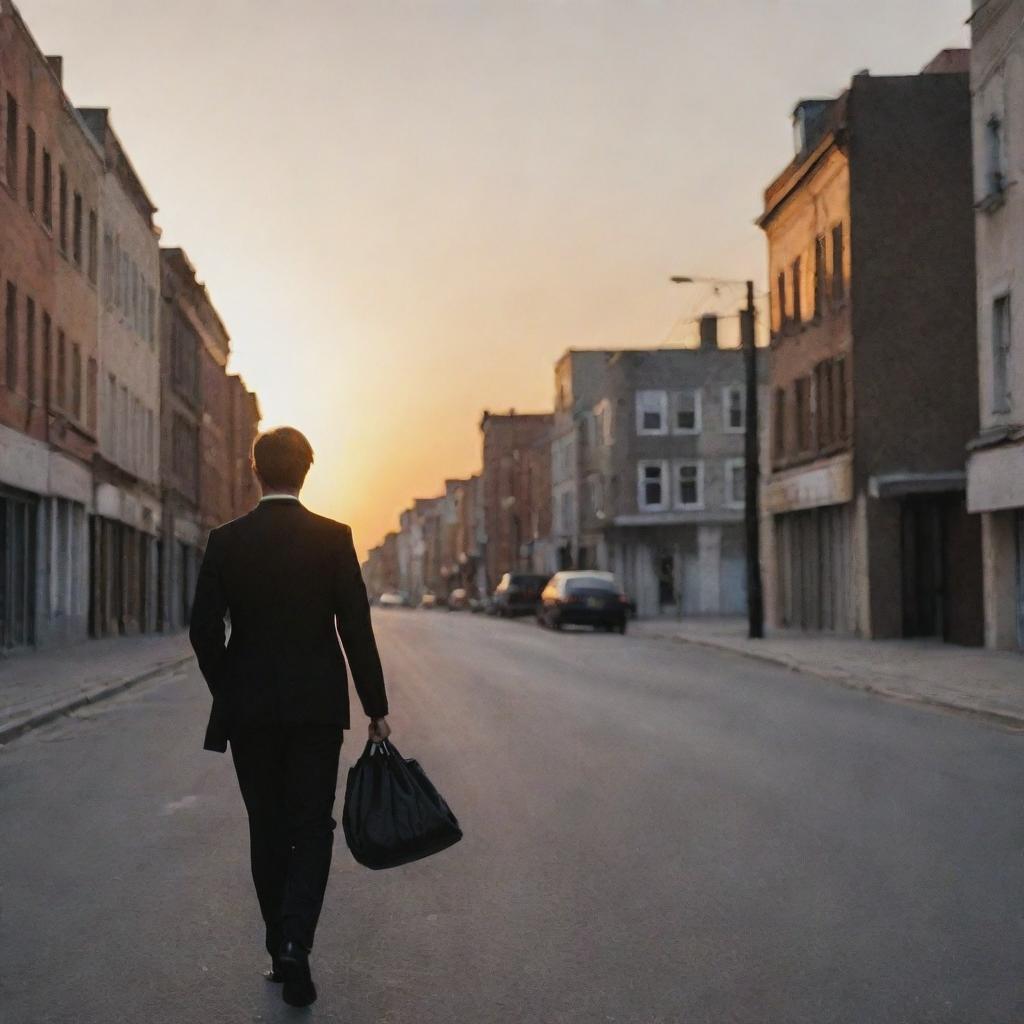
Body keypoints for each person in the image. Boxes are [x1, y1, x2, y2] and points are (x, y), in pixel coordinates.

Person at [189, 426, 390, 1008]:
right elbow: (355, 626)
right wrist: (376, 707)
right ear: (307, 469)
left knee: (266, 827)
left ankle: (280, 945)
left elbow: (204, 631)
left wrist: (229, 687)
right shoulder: (333, 538)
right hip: (317, 709)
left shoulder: (226, 541)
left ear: (256, 471)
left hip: (250, 710)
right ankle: (297, 941)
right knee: (312, 826)